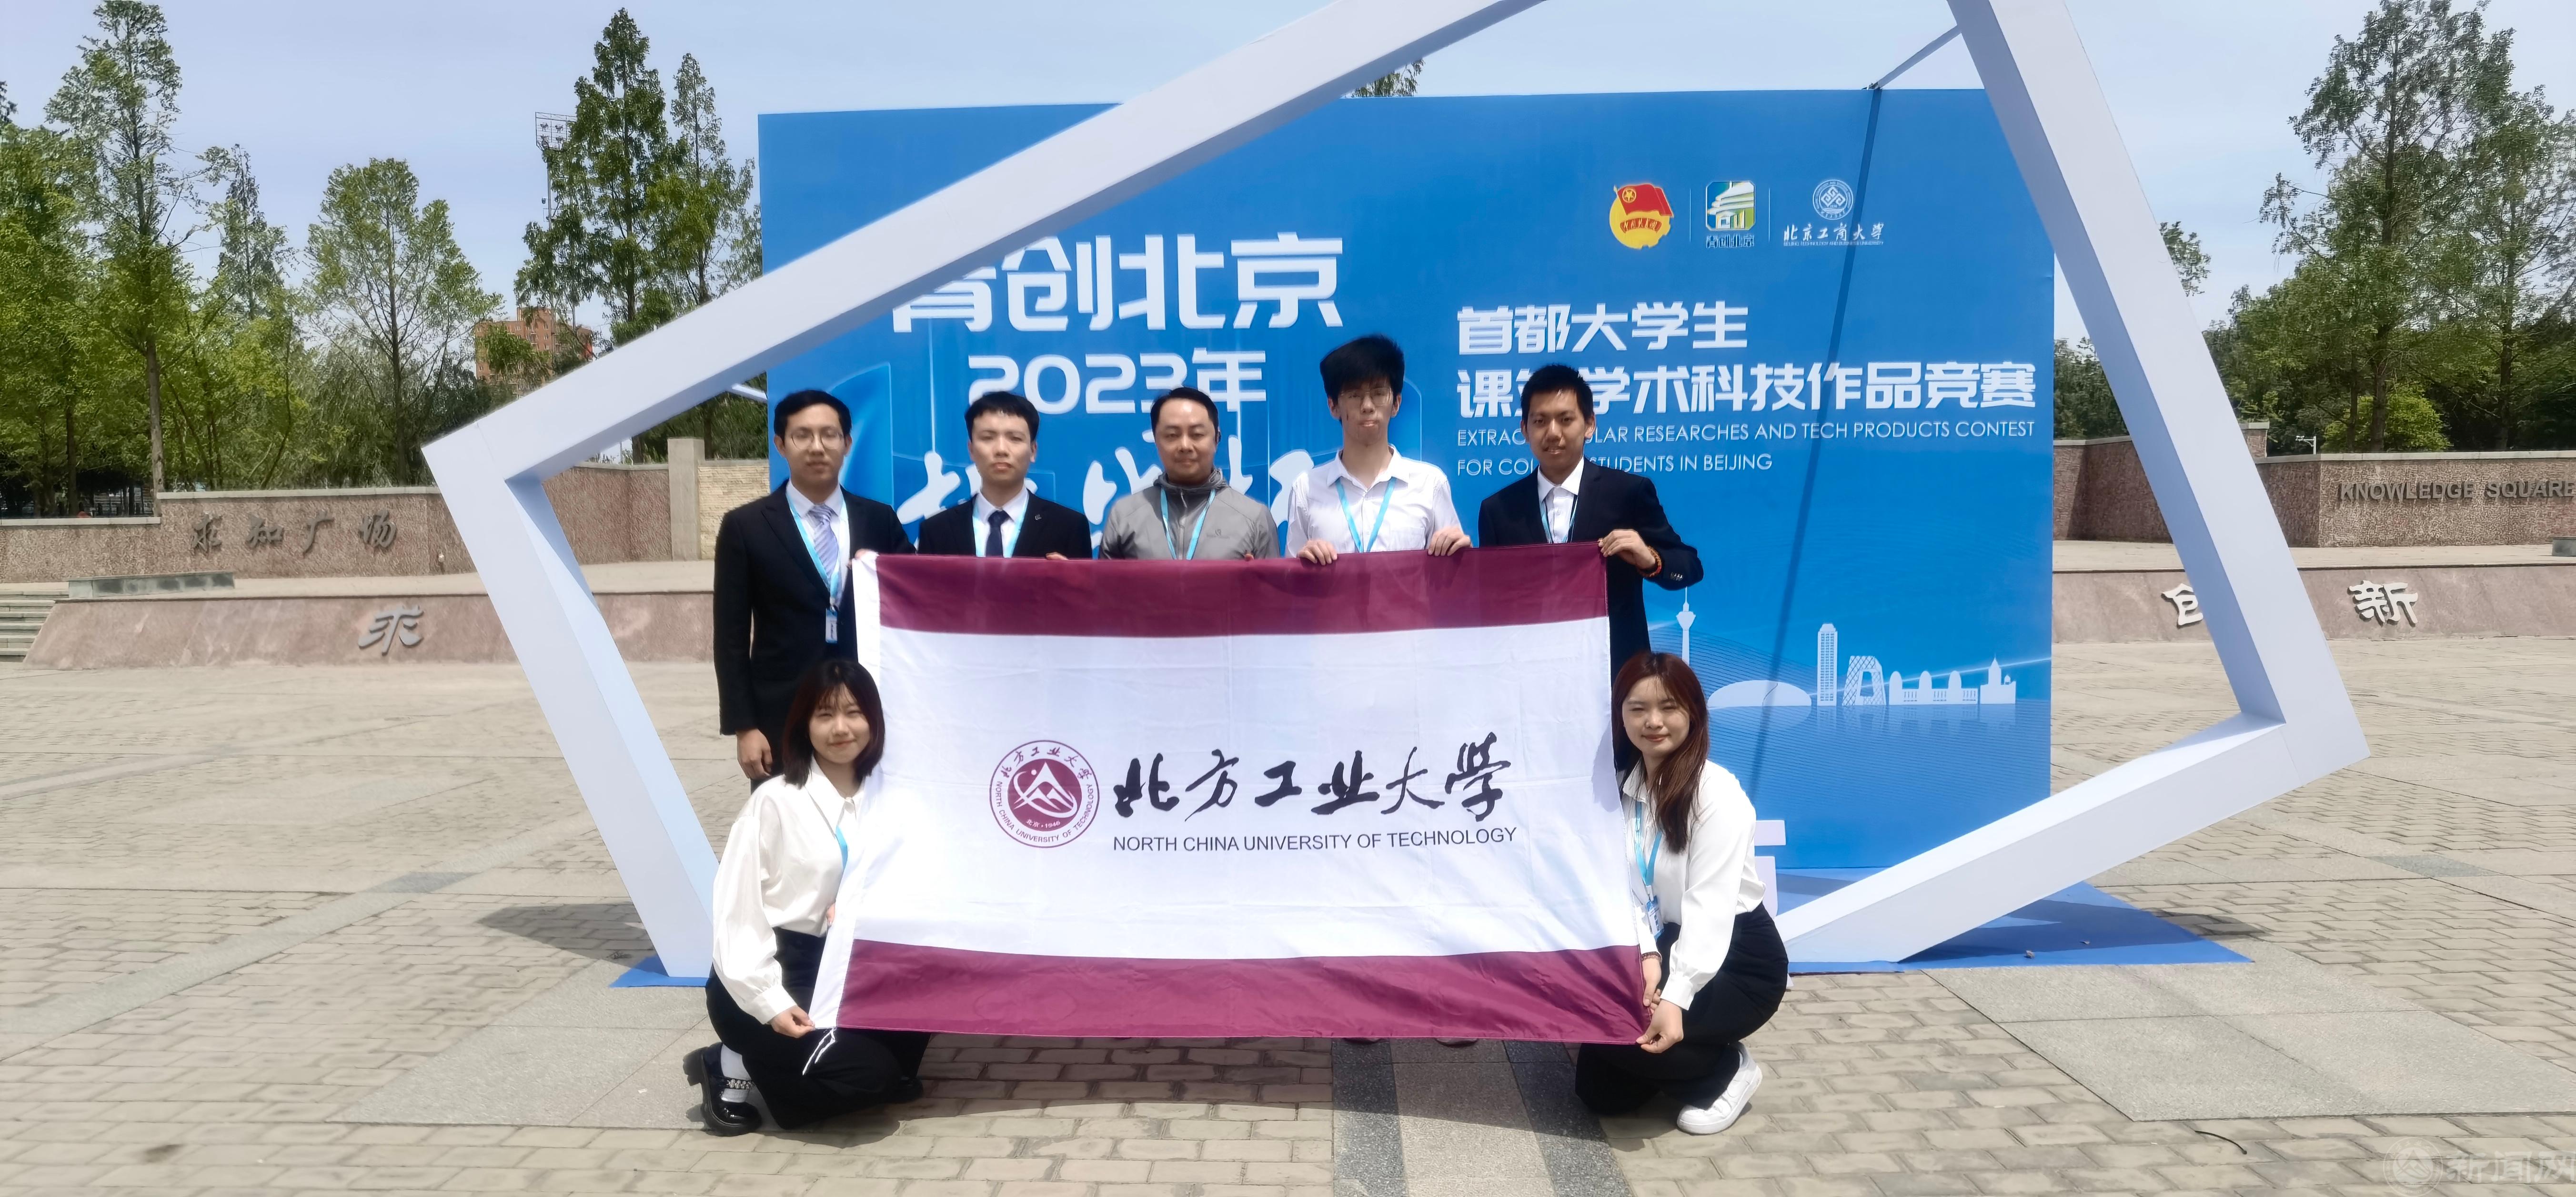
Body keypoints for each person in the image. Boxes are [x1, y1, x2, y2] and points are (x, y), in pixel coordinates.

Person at [687, 658, 932, 1135]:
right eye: (825, 715)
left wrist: (866, 905)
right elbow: (738, 912)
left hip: (855, 963)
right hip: (783, 968)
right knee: (871, 1077)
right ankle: (731, 1062)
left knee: (904, 1066)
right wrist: (768, 1001)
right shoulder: (775, 801)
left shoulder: (894, 799)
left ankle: (805, 1059)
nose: (841, 728)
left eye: (854, 713)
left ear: (874, 721)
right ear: (804, 724)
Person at [1578, 651, 1785, 1136]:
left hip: (1736, 959)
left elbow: (1710, 907)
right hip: (1664, 941)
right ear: (1620, 716)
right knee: (1600, 1092)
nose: (1653, 722)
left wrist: (1676, 995)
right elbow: (1622, 889)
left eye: (1668, 707)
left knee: (1632, 1032)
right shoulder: (1619, 790)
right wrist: (1647, 955)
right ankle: (1683, 1054)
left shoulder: (1717, 795)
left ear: (1693, 713)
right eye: (1637, 709)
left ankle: (1726, 1073)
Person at [714, 390, 914, 786]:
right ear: (781, 445)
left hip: (867, 709)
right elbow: (730, 638)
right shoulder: (745, 526)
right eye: (802, 435)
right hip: (781, 714)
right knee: (787, 816)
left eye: (829, 435)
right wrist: (745, 727)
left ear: (847, 443)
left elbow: (917, 596)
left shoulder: (879, 519)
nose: (817, 447)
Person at [1477, 364, 1703, 680]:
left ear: (1590, 425)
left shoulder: (1628, 493)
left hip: (1615, 674)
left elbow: (1689, 567)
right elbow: (1491, 600)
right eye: (1540, 421)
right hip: (1531, 676)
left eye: (1566, 419)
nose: (1553, 433)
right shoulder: (1499, 510)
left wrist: (1650, 559)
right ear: (1525, 430)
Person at [1280, 335, 1469, 564]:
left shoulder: (1430, 484)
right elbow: (1290, 579)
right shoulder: (1307, 488)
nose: (1367, 406)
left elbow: (1454, 575)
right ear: (1333, 406)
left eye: (1379, 394)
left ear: (1396, 404)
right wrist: (1303, 563)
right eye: (1354, 395)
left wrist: (1460, 555)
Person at [1098, 387, 1280, 561]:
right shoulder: (1124, 516)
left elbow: (1272, 583)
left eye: (1197, 434)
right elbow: (1105, 583)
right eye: (1172, 435)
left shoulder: (1254, 518)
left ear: (1217, 439)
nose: (1185, 446)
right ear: (1156, 440)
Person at [915, 391, 1093, 559]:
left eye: (1015, 439)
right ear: (971, 450)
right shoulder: (937, 530)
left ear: (1033, 450)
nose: (1001, 450)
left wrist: (1071, 578)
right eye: (988, 438)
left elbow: (1084, 583)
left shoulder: (1068, 527)